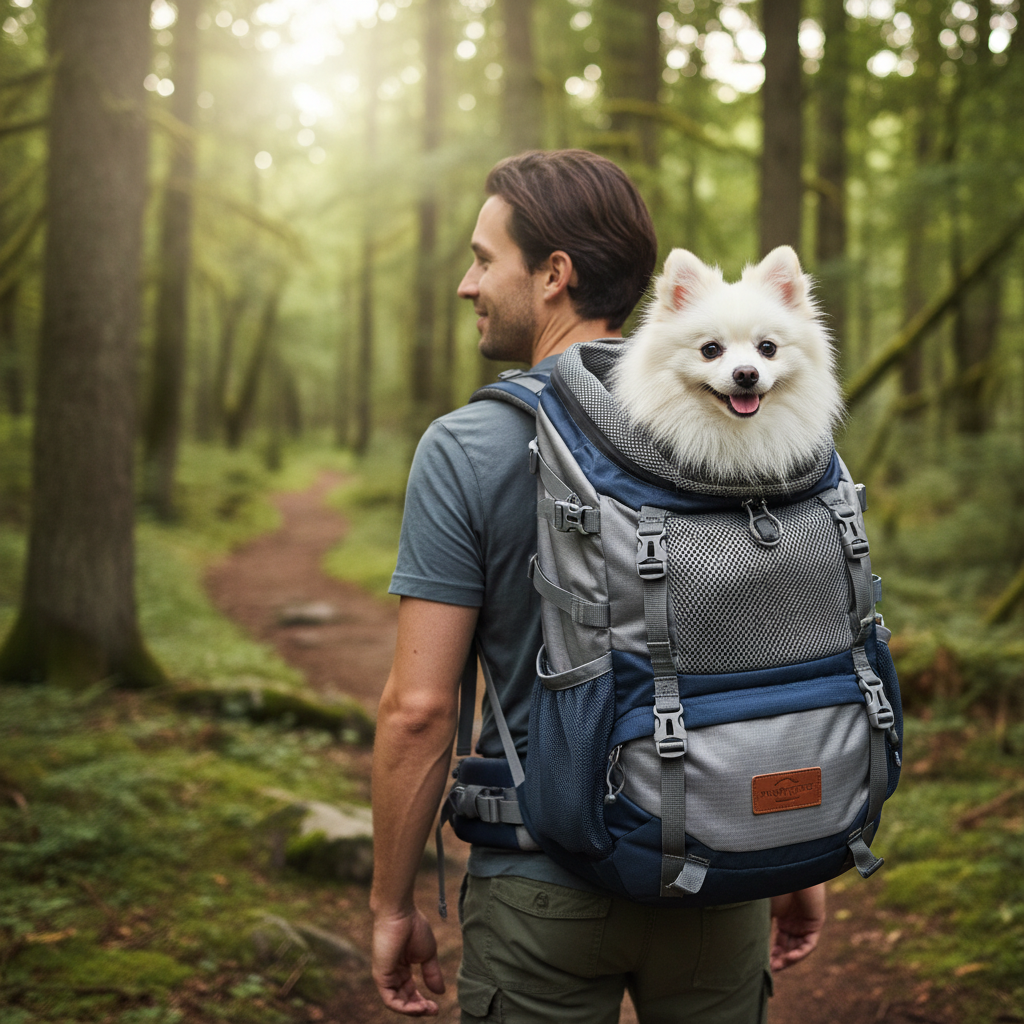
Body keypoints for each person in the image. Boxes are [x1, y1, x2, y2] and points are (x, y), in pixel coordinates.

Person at [369, 149, 826, 1023]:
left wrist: (391, 906)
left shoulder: (468, 446)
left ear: (554, 274)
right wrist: (795, 856)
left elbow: (419, 710)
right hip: (720, 869)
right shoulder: (755, 431)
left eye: (483, 259)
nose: (468, 284)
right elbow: (784, 650)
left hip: (541, 884)